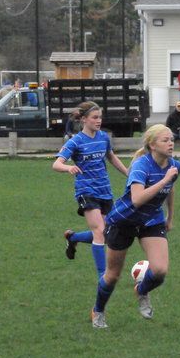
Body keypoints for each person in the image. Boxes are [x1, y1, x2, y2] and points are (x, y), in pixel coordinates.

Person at [91, 124, 180, 328]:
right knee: (112, 275)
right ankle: (98, 310)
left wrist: (169, 216)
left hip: (151, 220)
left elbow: (170, 188)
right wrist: (165, 180)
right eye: (165, 140)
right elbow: (137, 199)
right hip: (124, 220)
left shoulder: (174, 166)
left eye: (172, 140)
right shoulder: (141, 165)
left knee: (159, 271)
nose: (171, 143)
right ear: (152, 145)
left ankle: (141, 291)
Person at [52, 101, 128, 278]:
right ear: (84, 119)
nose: (99, 120)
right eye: (95, 117)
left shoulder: (103, 137)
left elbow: (111, 157)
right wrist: (68, 168)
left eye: (100, 117)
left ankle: (73, 238)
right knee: (99, 232)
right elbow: (56, 164)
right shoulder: (75, 141)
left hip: (105, 190)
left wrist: (129, 174)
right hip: (86, 191)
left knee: (106, 233)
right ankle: (103, 277)